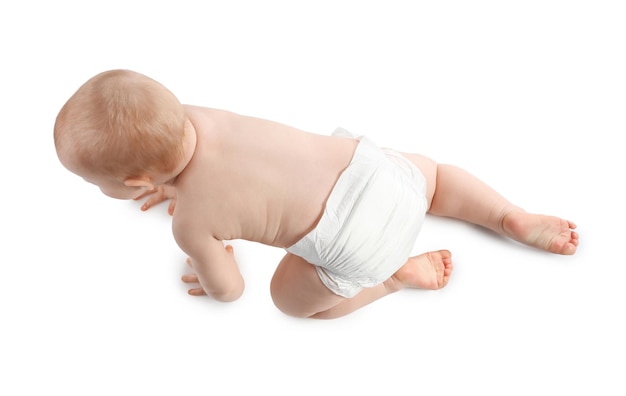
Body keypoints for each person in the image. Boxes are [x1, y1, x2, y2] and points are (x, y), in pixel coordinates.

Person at [53, 69, 579, 319]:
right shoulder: (195, 115)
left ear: (139, 185)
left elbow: (232, 290)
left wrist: (211, 268)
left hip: (354, 246)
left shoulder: (190, 222)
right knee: (434, 177)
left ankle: (396, 277)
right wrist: (174, 178)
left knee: (294, 304)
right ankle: (509, 215)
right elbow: (193, 159)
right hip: (381, 177)